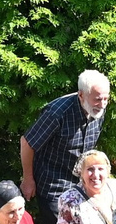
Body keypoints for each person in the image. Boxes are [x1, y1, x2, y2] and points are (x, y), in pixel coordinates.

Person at [21, 70, 110, 213]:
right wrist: (28, 179)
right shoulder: (57, 113)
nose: (103, 104)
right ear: (81, 95)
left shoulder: (98, 109)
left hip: (80, 185)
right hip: (53, 187)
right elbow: (27, 143)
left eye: (106, 99)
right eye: (98, 99)